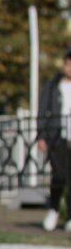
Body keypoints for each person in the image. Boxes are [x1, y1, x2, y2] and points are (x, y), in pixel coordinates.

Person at [37, 48, 71, 231]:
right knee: (58, 176)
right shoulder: (52, 86)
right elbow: (42, 112)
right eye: (68, 63)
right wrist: (41, 135)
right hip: (57, 137)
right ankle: (54, 209)